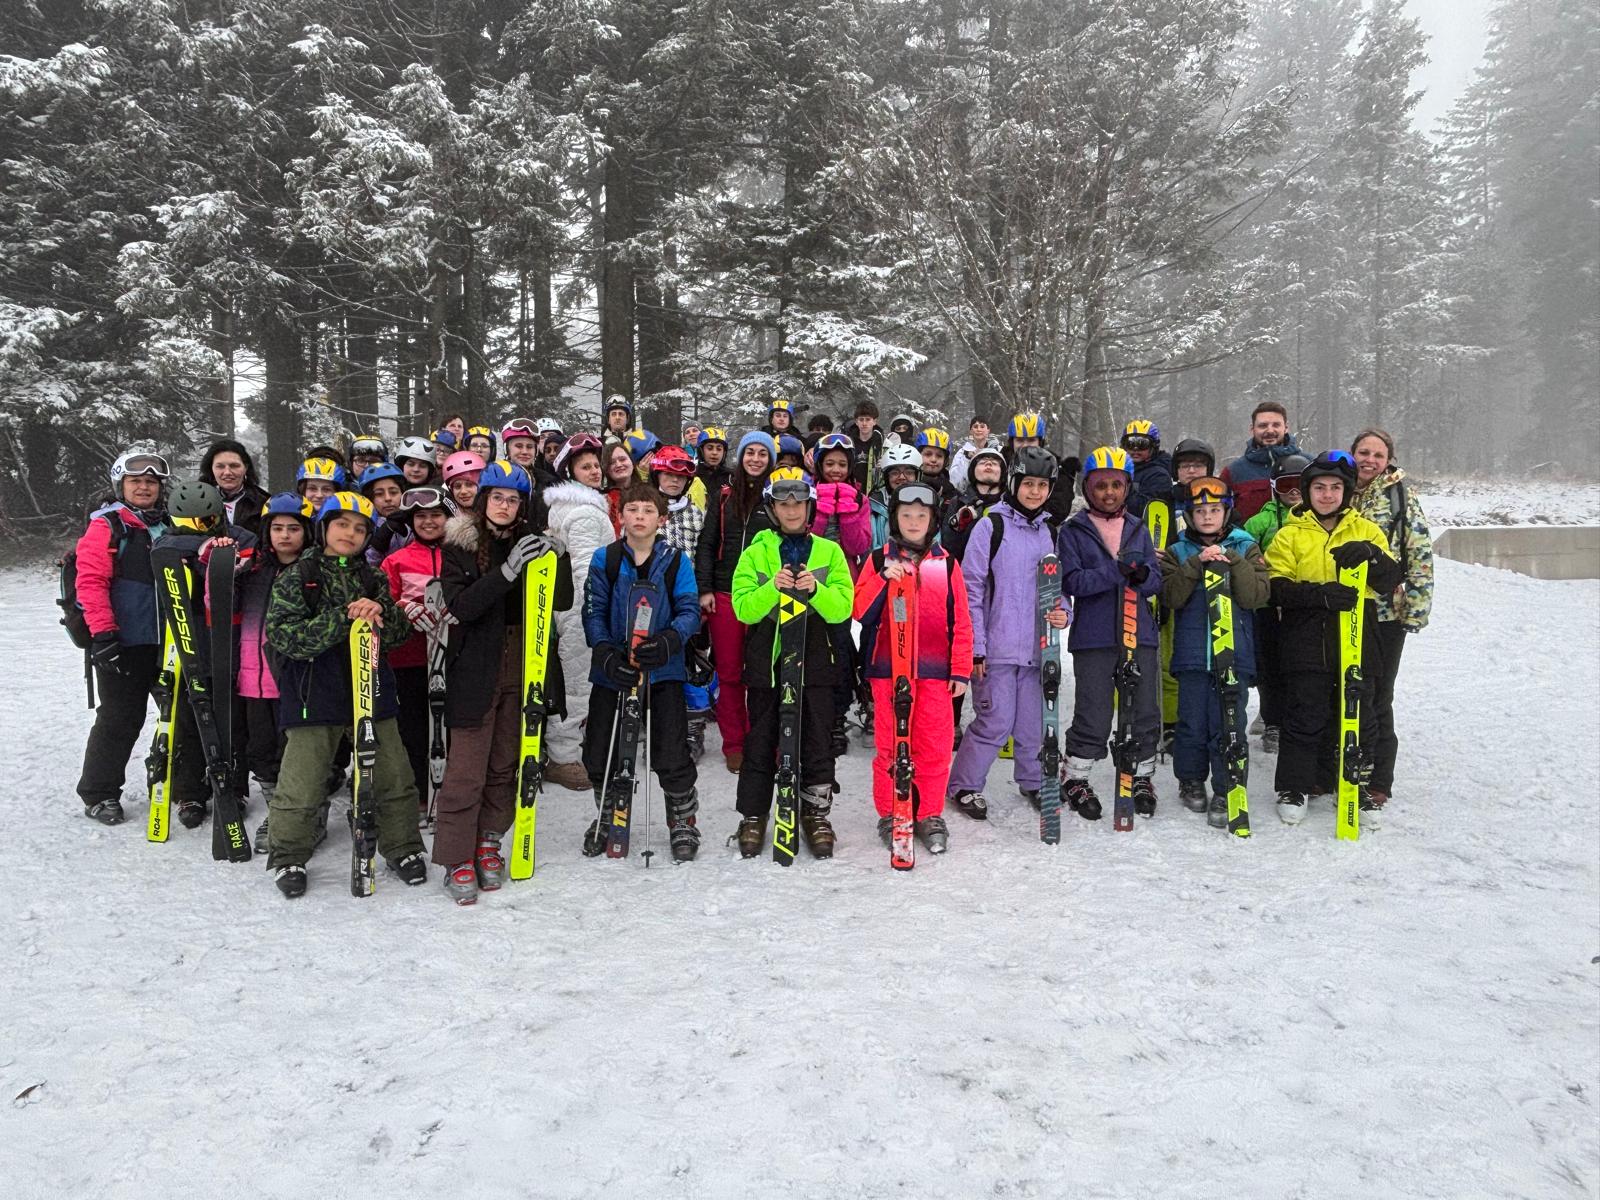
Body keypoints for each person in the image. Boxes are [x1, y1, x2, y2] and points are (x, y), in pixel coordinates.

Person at [263, 491, 428, 899]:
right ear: (324, 528)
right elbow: (285, 636)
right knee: (303, 780)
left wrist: (380, 615)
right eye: (342, 525)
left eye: (359, 529)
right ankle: (289, 854)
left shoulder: (372, 577)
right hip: (314, 693)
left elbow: (398, 635)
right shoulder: (298, 576)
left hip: (372, 689)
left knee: (393, 773)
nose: (349, 534)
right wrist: (342, 618)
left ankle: (403, 846)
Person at [435, 461, 573, 903]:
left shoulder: (530, 541)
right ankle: (457, 855)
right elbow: (462, 607)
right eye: (497, 497)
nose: (505, 506)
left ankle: (489, 839)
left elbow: (562, 599)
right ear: (483, 500)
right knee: (466, 767)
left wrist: (559, 556)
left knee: (504, 763)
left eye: (513, 500)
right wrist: (507, 572)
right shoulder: (459, 545)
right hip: (475, 665)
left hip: (524, 662)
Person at [1264, 450, 1404, 826]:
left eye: (1335, 488)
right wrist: (1320, 594)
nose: (1327, 495)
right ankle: (1295, 785)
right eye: (1320, 488)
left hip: (1359, 632)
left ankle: (1355, 783)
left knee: (1359, 713)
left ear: (1346, 492)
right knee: (1305, 711)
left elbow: (1390, 580)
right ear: (1308, 492)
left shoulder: (1366, 529)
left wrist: (1373, 556)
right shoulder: (1289, 535)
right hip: (1306, 636)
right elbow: (1276, 589)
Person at [729, 468, 855, 857]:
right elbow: (742, 608)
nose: (791, 510)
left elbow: (844, 609)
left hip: (816, 662)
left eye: (798, 503)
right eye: (784, 504)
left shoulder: (829, 551)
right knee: (762, 740)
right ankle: (753, 815)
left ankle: (815, 813)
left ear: (810, 507)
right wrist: (773, 587)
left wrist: (815, 590)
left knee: (816, 738)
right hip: (768, 663)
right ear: (772, 508)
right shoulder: (756, 551)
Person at [946, 447, 1068, 820]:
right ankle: (964, 786)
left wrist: (1063, 611)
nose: (1035, 492)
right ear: (1013, 483)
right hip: (996, 649)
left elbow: (1056, 585)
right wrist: (976, 648)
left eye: (1042, 485)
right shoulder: (991, 526)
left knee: (1033, 722)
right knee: (994, 721)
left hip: (1037, 648)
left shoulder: (1049, 531)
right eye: (1028, 483)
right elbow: (971, 588)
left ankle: (1033, 780)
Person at [581, 482, 702, 859]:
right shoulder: (606, 559)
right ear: (621, 516)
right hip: (615, 669)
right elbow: (593, 610)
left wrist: (669, 641)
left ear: (661, 519)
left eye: (648, 511)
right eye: (632, 510)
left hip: (662, 669)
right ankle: (607, 814)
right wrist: (603, 651)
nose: (639, 517)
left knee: (670, 750)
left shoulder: (676, 560)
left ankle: (682, 819)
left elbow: (689, 610)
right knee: (602, 748)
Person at [853, 480, 974, 853]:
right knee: (891, 745)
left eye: (921, 515)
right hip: (889, 669)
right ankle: (892, 811)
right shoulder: (878, 559)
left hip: (935, 672)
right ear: (895, 518)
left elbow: (962, 620)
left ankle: (929, 813)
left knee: (934, 745)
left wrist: (960, 670)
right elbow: (859, 611)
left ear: (933, 519)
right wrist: (881, 581)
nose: (914, 521)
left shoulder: (946, 562)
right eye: (907, 515)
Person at [1057, 446, 1163, 819]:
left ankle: (1141, 775)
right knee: (1095, 710)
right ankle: (1077, 775)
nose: (1108, 493)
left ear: (1127, 487)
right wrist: (1116, 571)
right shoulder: (1073, 531)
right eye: (1100, 486)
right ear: (1088, 489)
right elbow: (1073, 581)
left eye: (1116, 485)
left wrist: (1142, 575)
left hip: (1140, 634)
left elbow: (1154, 582)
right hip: (1095, 636)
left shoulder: (1137, 526)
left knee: (1145, 709)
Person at [1158, 477, 1270, 826]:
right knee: (1192, 723)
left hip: (1234, 654)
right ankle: (1190, 779)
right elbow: (1170, 596)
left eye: (1215, 510)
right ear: (1189, 515)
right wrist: (1196, 565)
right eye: (1200, 511)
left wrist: (1232, 562)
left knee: (1229, 723)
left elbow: (1258, 596)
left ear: (1227, 512)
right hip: (1192, 656)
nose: (1208, 517)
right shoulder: (1177, 552)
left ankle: (1228, 786)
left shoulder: (1247, 546)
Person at [73, 450, 176, 825]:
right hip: (125, 640)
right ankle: (99, 792)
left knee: (178, 715)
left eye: (151, 482)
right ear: (122, 486)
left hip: (171, 641)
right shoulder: (107, 526)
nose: (144, 487)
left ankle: (174, 781)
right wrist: (103, 634)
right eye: (136, 482)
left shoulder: (173, 523)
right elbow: (90, 582)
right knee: (120, 717)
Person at [1351, 428, 1433, 813]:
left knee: (1379, 695)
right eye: (1363, 452)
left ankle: (1379, 778)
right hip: (1345, 609)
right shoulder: (1336, 488)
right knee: (1347, 690)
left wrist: (1415, 608)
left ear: (1388, 460)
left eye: (1377, 455)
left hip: (1385, 612)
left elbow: (1418, 553)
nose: (1369, 460)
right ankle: (1346, 765)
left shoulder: (1400, 497)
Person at [695, 431, 776, 771]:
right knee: (729, 674)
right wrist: (705, 588)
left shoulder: (777, 497)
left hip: (765, 597)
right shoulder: (724, 495)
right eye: (750, 453)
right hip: (726, 595)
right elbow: (707, 542)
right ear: (740, 457)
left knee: (761, 674)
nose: (755, 459)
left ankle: (763, 740)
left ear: (771, 460)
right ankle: (735, 744)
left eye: (762, 454)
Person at [541, 434, 615, 791]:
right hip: (581, 609)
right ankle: (564, 757)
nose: (595, 471)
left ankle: (573, 748)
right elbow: (586, 569)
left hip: (571, 607)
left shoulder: (570, 508)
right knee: (575, 683)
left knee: (576, 678)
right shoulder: (584, 513)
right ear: (570, 472)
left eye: (596, 465)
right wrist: (597, 611)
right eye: (585, 466)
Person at [379, 486, 457, 810]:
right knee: (413, 727)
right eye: (420, 516)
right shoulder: (396, 560)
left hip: (451, 656)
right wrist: (402, 607)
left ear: (447, 518)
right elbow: (383, 602)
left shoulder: (460, 556)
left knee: (448, 725)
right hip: (409, 658)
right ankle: (419, 793)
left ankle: (449, 790)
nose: (428, 521)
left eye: (435, 515)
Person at [243, 493, 311, 852]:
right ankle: (276, 809)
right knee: (262, 750)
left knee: (296, 752)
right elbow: (215, 605)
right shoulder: (253, 570)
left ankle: (301, 813)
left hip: (295, 680)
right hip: (253, 678)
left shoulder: (313, 571)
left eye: (294, 528)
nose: (285, 536)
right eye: (278, 528)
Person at [1243, 453, 1309, 753]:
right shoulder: (1261, 520)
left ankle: (1297, 719)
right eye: (1286, 485)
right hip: (1268, 603)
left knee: (1299, 663)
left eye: (1299, 484)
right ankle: (1272, 721)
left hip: (1302, 602)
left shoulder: (1314, 520)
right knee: (1270, 663)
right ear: (1274, 487)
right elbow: (1245, 551)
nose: (1293, 492)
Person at [811, 432, 872, 753]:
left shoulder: (859, 498)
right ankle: (812, 717)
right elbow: (805, 537)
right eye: (830, 463)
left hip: (842, 581)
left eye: (842, 464)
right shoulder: (805, 492)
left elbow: (859, 545)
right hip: (807, 580)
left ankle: (837, 717)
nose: (836, 469)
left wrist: (846, 509)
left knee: (840, 651)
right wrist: (821, 507)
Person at [1220, 400, 1303, 520]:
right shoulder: (1233, 472)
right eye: (1263, 425)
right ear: (1252, 429)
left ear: (1286, 427)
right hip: (1251, 538)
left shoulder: (1308, 465)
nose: (1270, 430)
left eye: (1276, 425)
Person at [940, 446, 1006, 565]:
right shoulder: (958, 503)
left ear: (1002, 472)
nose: (989, 465)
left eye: (995, 463)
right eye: (983, 462)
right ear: (972, 471)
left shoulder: (1010, 505)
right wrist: (958, 528)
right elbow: (948, 550)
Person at [200, 439, 270, 540]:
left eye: (234, 466)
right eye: (220, 466)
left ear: (245, 467)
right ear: (211, 469)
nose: (227, 472)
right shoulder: (198, 502)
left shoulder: (264, 504)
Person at [868, 443, 922, 546]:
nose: (902, 477)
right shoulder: (875, 505)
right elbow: (871, 544)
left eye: (909, 473)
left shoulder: (927, 503)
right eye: (895, 473)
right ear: (887, 477)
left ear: (917, 476)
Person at [1121, 419, 1173, 523]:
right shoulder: (1122, 469)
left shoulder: (1159, 475)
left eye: (1142, 444)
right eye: (1130, 444)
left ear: (1153, 447)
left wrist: (1122, 487)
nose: (1135, 449)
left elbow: (1149, 510)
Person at [844, 399, 886, 494]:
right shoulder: (848, 443)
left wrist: (885, 464)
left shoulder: (883, 444)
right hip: (851, 492)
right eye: (861, 419)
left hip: (874, 492)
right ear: (856, 421)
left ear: (874, 421)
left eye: (868, 419)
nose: (864, 423)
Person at [948, 415, 994, 494]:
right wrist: (967, 459)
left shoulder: (997, 450)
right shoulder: (962, 453)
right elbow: (953, 481)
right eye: (975, 427)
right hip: (967, 496)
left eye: (982, 426)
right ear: (971, 431)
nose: (979, 429)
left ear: (988, 430)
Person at [601, 441, 636, 530]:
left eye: (622, 459)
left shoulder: (649, 493)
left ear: (632, 462)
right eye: (612, 462)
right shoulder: (602, 500)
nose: (618, 465)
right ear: (606, 470)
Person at [915, 428, 957, 503]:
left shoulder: (951, 492)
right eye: (928, 454)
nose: (933, 459)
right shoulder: (906, 483)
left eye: (939, 455)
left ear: (945, 461)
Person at [696, 427, 731, 494]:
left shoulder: (731, 478)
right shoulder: (692, 477)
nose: (714, 452)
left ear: (724, 452)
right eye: (710, 448)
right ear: (701, 451)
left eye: (719, 449)